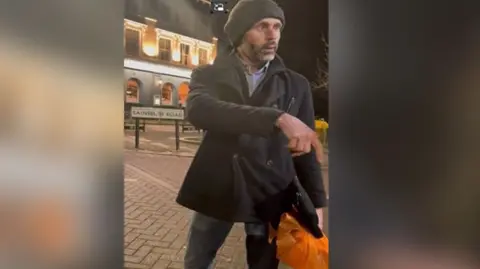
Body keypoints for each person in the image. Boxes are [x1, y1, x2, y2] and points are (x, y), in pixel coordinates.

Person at [175, 0, 327, 268]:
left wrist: (316, 202)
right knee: (197, 259)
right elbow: (200, 110)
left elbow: (304, 151)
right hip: (220, 183)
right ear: (241, 32)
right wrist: (277, 118)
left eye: (277, 27)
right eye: (262, 26)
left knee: (264, 263)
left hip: (268, 188)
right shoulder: (209, 74)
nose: (273, 35)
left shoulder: (296, 84)